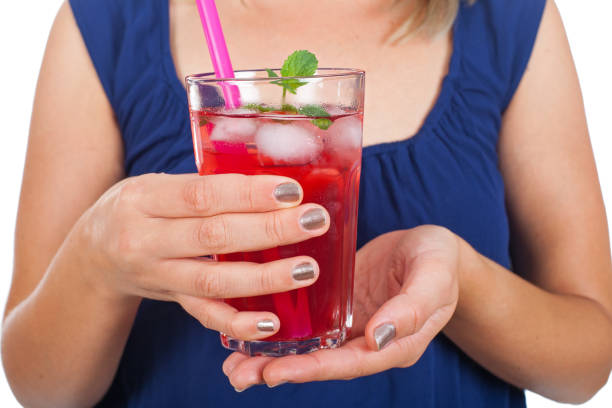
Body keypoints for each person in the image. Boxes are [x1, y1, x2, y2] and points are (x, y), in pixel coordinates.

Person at [2, 0, 612, 406]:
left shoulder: (508, 17)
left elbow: (589, 364)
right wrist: (95, 261)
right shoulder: (105, 20)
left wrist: (462, 279)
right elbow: (38, 388)